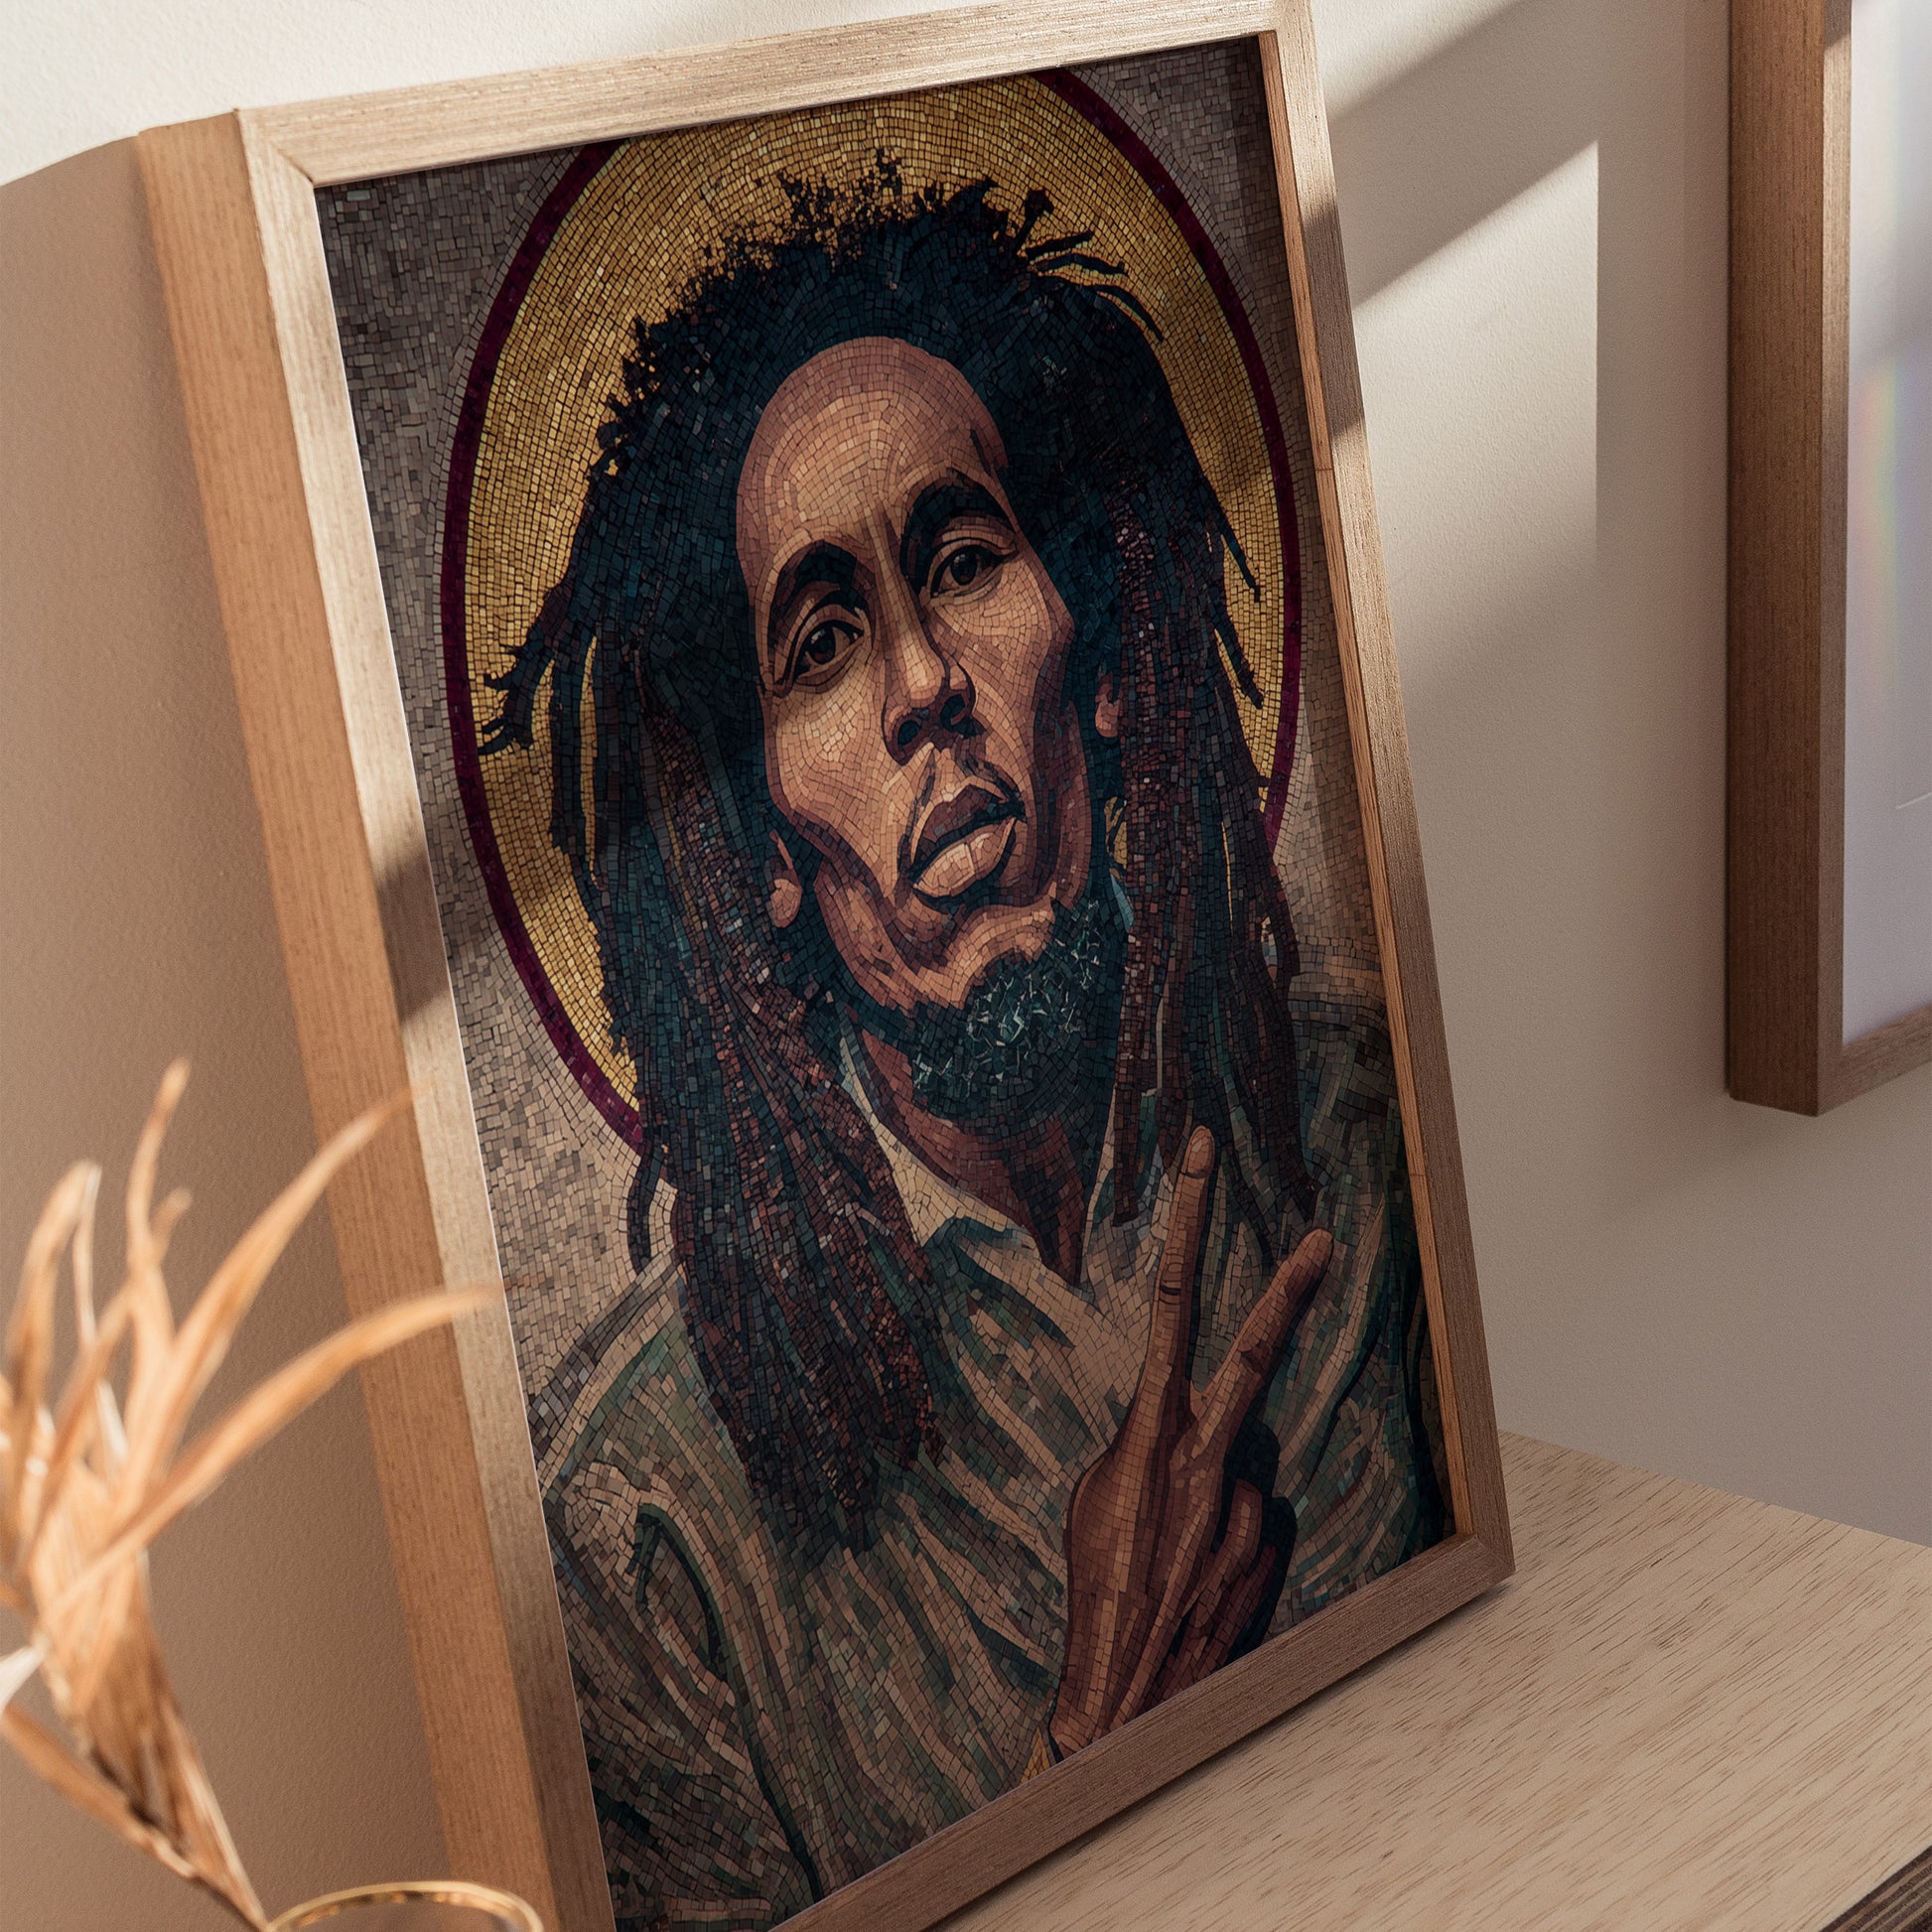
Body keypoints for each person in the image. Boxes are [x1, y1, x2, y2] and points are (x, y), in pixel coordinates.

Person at [487, 169, 1446, 1931]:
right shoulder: (641, 1529)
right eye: (820, 642)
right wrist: (1101, 1744)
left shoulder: (1377, 1152)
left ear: (1100, 656)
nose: (924, 676)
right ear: (761, 856)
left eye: (962, 561)